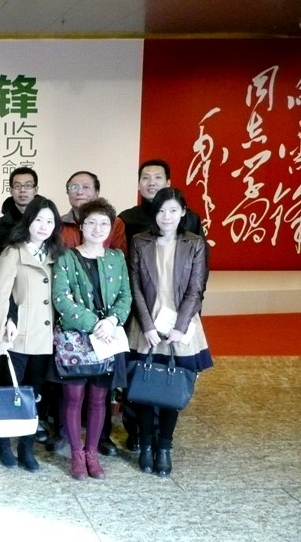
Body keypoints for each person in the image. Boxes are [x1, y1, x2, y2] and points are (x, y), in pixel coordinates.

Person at [118, 159, 207, 452]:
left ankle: (164, 444)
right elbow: (133, 283)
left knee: (173, 380)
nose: (166, 216)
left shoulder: (193, 238)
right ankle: (140, 438)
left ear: (183, 212)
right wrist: (146, 323)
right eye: (145, 177)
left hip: (180, 319)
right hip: (144, 317)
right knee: (141, 379)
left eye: (173, 211)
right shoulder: (133, 228)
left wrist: (184, 323)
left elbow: (197, 284)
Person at [52, 198, 131, 481]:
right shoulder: (66, 257)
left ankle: (92, 453)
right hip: (75, 339)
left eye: (104, 223)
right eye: (92, 223)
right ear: (81, 226)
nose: (98, 228)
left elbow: (125, 296)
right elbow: (61, 299)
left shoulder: (117, 258)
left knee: (99, 399)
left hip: (106, 339)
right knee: (73, 398)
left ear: (111, 228)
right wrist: (94, 323)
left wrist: (111, 321)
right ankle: (76, 454)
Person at [0, 197, 64, 472]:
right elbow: (0, 296)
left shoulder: (58, 255)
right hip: (17, 339)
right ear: (28, 222)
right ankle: (3, 444)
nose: (44, 226)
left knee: (34, 397)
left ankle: (26, 448)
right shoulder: (13, 253)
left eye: (49, 221)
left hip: (45, 342)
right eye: (38, 220)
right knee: (10, 393)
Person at [0, 166, 41, 246]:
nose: (22, 190)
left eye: (28, 185)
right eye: (17, 186)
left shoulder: (48, 224)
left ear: (35, 190)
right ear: (11, 190)